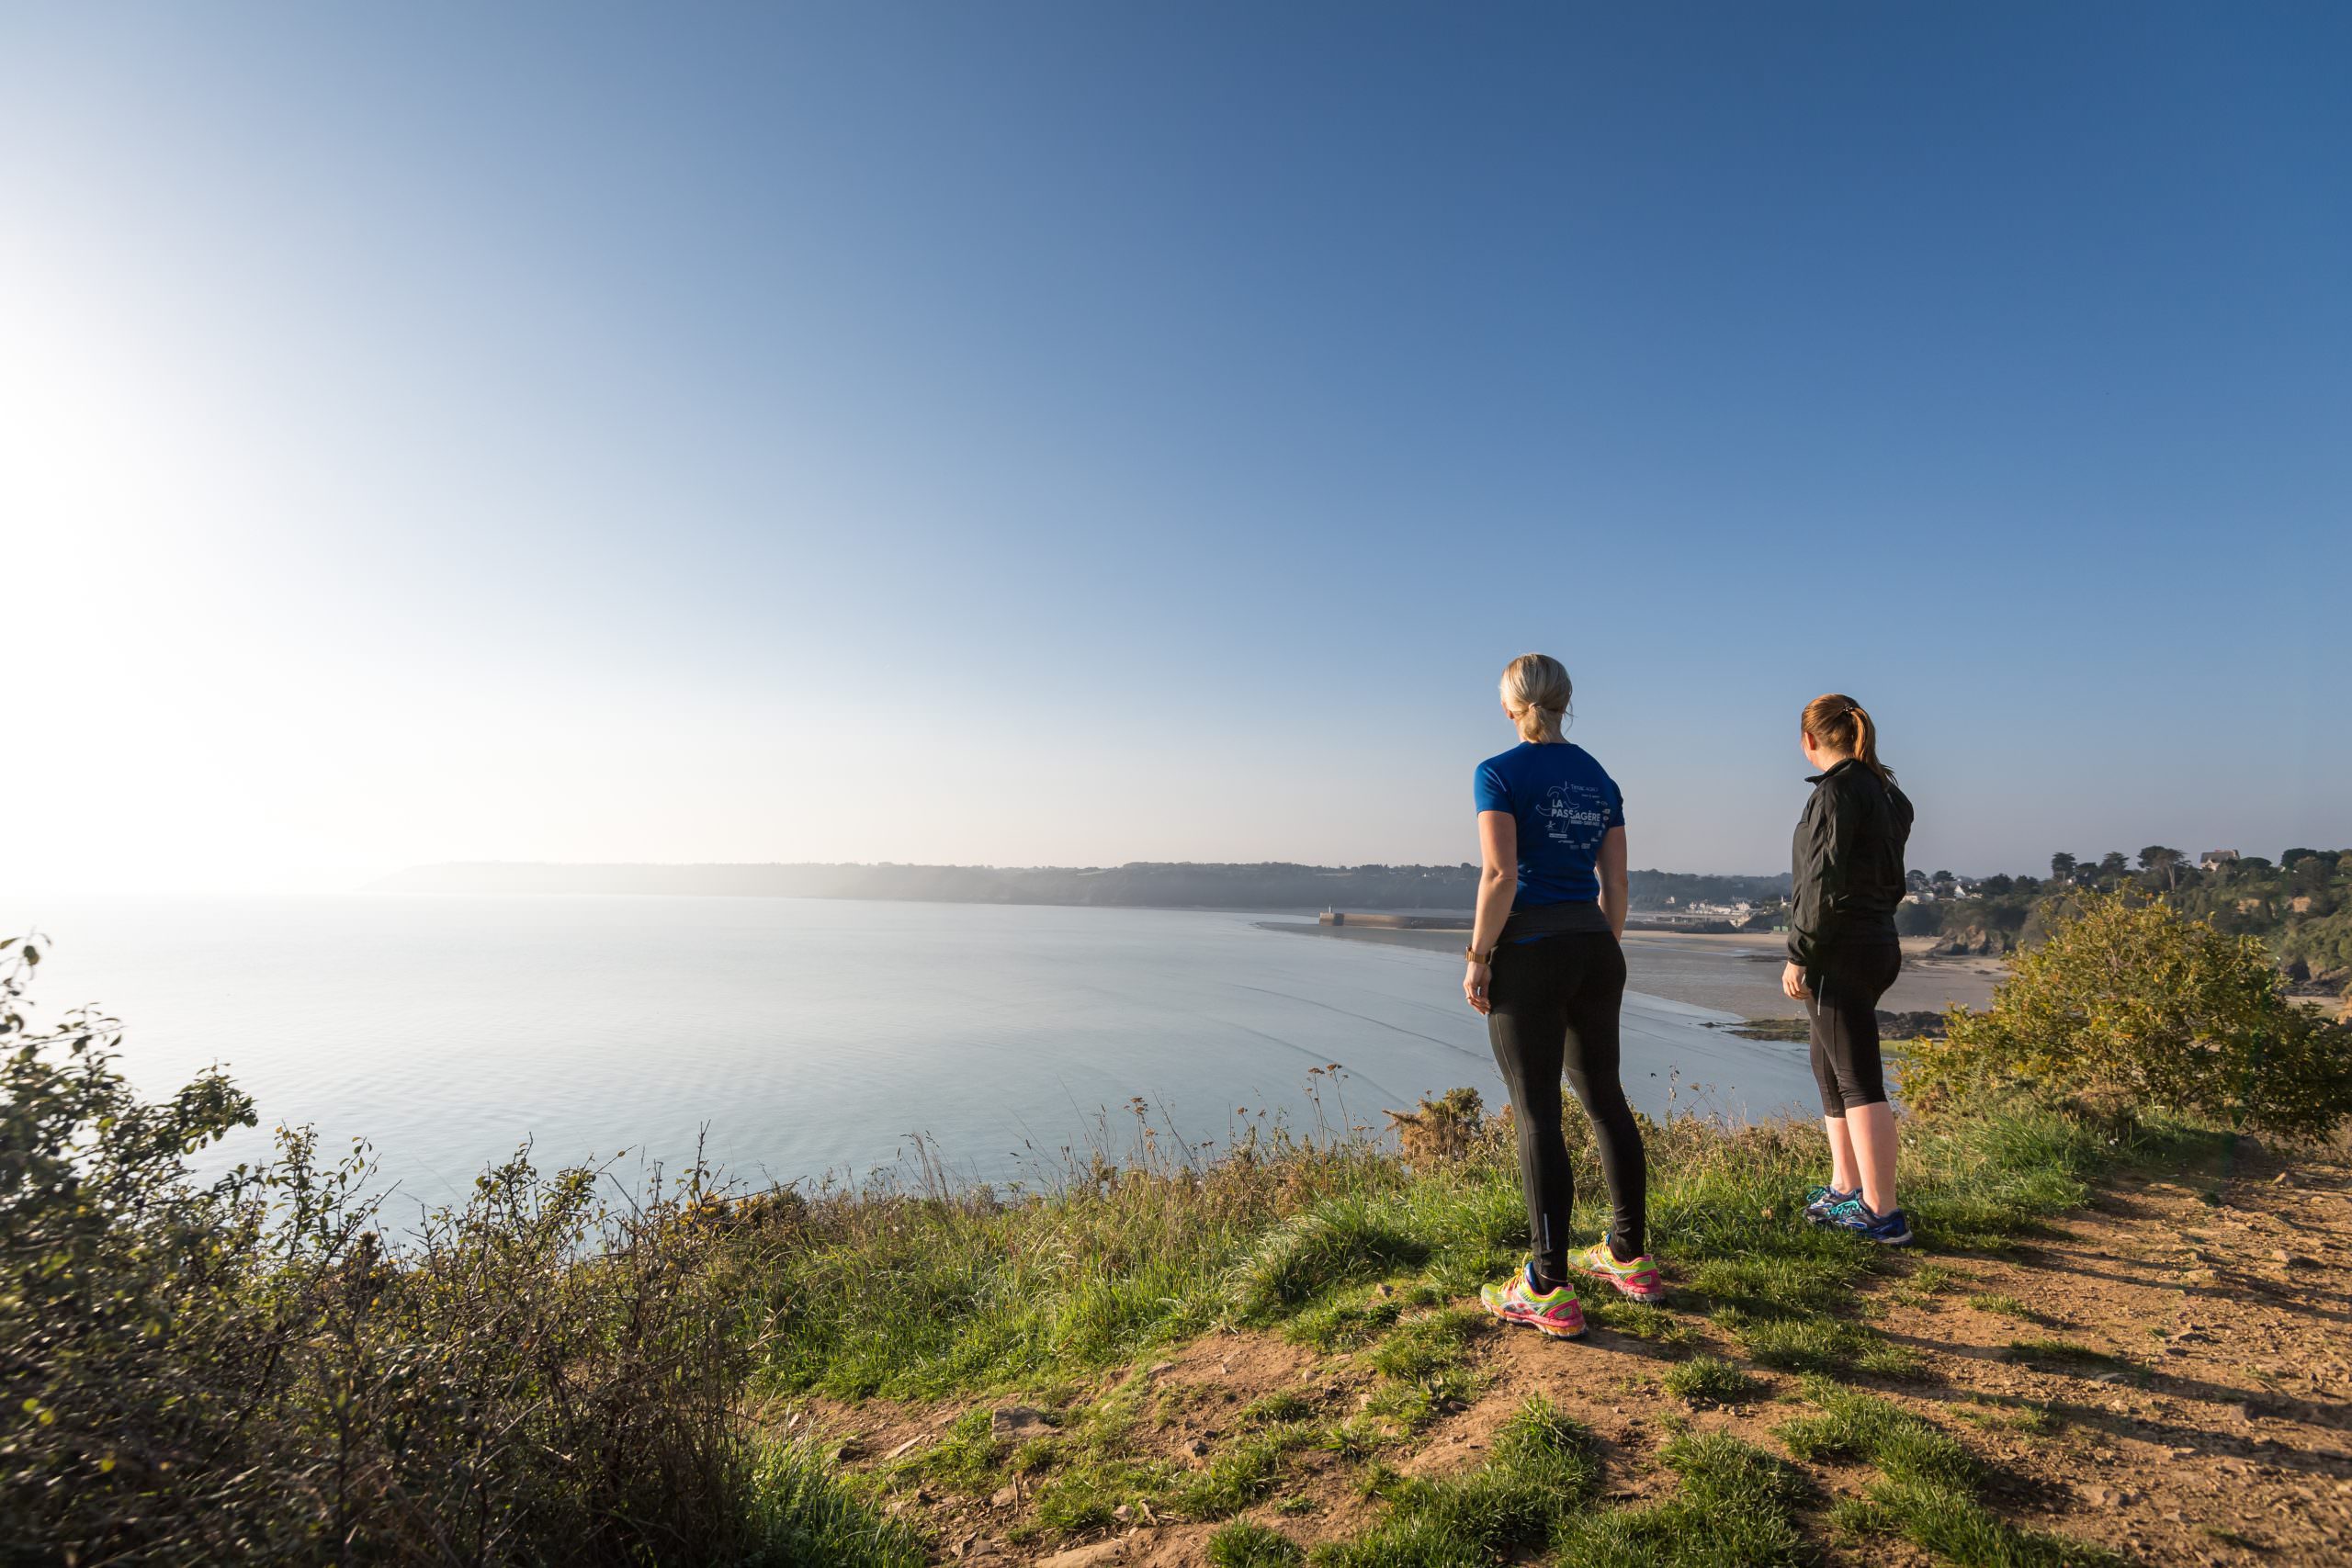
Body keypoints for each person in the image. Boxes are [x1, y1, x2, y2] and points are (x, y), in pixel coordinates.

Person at [1464, 653, 1663, 1340]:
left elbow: (1500, 874)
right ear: (1565, 701)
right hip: (1596, 946)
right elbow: (1619, 888)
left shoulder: (1499, 772)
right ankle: (1630, 1257)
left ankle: (1547, 1286)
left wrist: (1478, 955)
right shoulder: (1599, 777)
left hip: (1531, 954)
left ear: (1509, 706)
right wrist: (1593, 948)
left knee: (1537, 1115)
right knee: (1606, 1098)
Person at [1783, 694, 1917, 1246]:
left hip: (1840, 947)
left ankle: (1882, 1212)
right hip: (1877, 940)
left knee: (1858, 1077)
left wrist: (1799, 952)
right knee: (1828, 1065)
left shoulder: (1837, 792)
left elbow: (1821, 881)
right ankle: (1845, 1188)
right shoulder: (1889, 793)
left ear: (1809, 740)